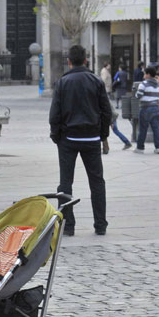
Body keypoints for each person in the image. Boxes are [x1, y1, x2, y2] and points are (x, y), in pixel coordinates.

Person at [49, 45, 111, 236]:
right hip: (91, 138)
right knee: (97, 182)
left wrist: (56, 135)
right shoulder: (96, 81)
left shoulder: (63, 82)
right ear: (86, 60)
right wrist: (103, 135)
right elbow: (106, 111)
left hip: (68, 138)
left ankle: (68, 225)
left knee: (65, 183)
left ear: (69, 61)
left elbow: (55, 113)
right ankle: (100, 225)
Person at [134, 64, 159, 154]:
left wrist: (135, 93)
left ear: (148, 74)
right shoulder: (158, 85)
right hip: (156, 108)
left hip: (145, 108)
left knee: (143, 128)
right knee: (156, 128)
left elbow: (138, 96)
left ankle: (140, 148)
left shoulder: (143, 84)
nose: (143, 75)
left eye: (144, 73)